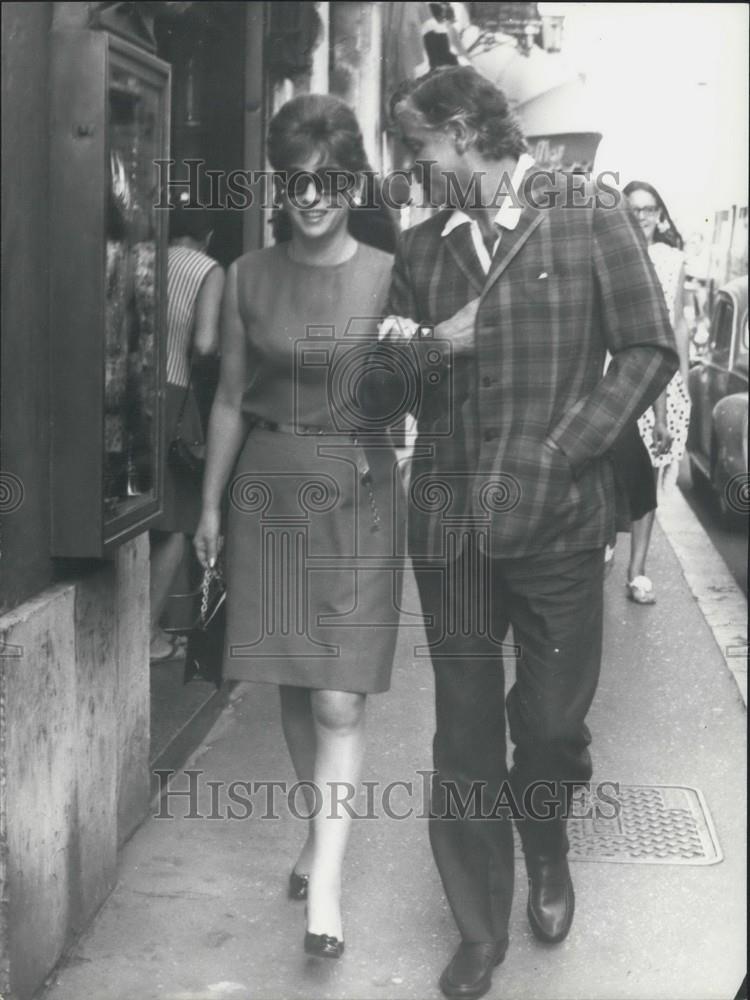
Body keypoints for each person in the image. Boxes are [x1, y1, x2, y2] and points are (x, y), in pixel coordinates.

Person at [383, 67, 678, 999]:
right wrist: (429, 347)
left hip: (556, 520)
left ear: (466, 133)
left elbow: (648, 347)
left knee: (549, 729)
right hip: (450, 527)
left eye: (420, 150)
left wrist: (563, 450)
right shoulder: (422, 246)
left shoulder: (584, 210)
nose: (413, 170)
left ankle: (545, 842)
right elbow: (398, 388)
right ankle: (479, 929)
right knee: (463, 734)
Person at [193, 94, 404, 960]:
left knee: (338, 694)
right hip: (271, 488)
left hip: (357, 486)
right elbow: (231, 401)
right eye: (293, 184)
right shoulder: (246, 275)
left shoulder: (392, 273)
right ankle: (318, 837)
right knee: (292, 681)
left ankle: (326, 888)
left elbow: (422, 386)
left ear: (352, 182)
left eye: (325, 182)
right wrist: (207, 504)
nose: (309, 198)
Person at [607, 180, 691, 604]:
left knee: (648, 477)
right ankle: (603, 548)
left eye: (650, 209)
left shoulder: (671, 260)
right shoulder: (608, 254)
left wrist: (684, 385)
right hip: (614, 376)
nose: (642, 217)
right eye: (634, 208)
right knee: (608, 470)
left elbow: (676, 325)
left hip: (661, 380)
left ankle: (636, 570)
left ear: (660, 216)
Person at [149, 203, 224, 662]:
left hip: (128, 392)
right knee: (177, 521)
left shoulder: (148, 255)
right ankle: (149, 635)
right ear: (208, 235)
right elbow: (204, 343)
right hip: (174, 392)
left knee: (135, 515)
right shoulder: (208, 268)